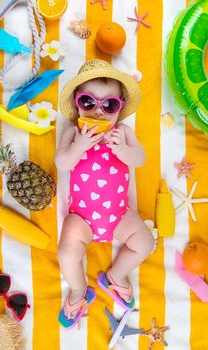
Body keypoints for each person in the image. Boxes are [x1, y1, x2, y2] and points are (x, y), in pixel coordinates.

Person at [56, 59, 154, 328]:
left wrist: (122, 149)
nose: (98, 112)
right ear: (77, 103)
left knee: (145, 243)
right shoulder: (73, 132)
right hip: (82, 219)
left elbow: (140, 159)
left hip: (119, 216)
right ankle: (78, 290)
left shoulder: (123, 132)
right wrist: (79, 146)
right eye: (89, 103)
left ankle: (116, 276)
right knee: (65, 253)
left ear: (119, 109)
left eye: (109, 105)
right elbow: (62, 163)